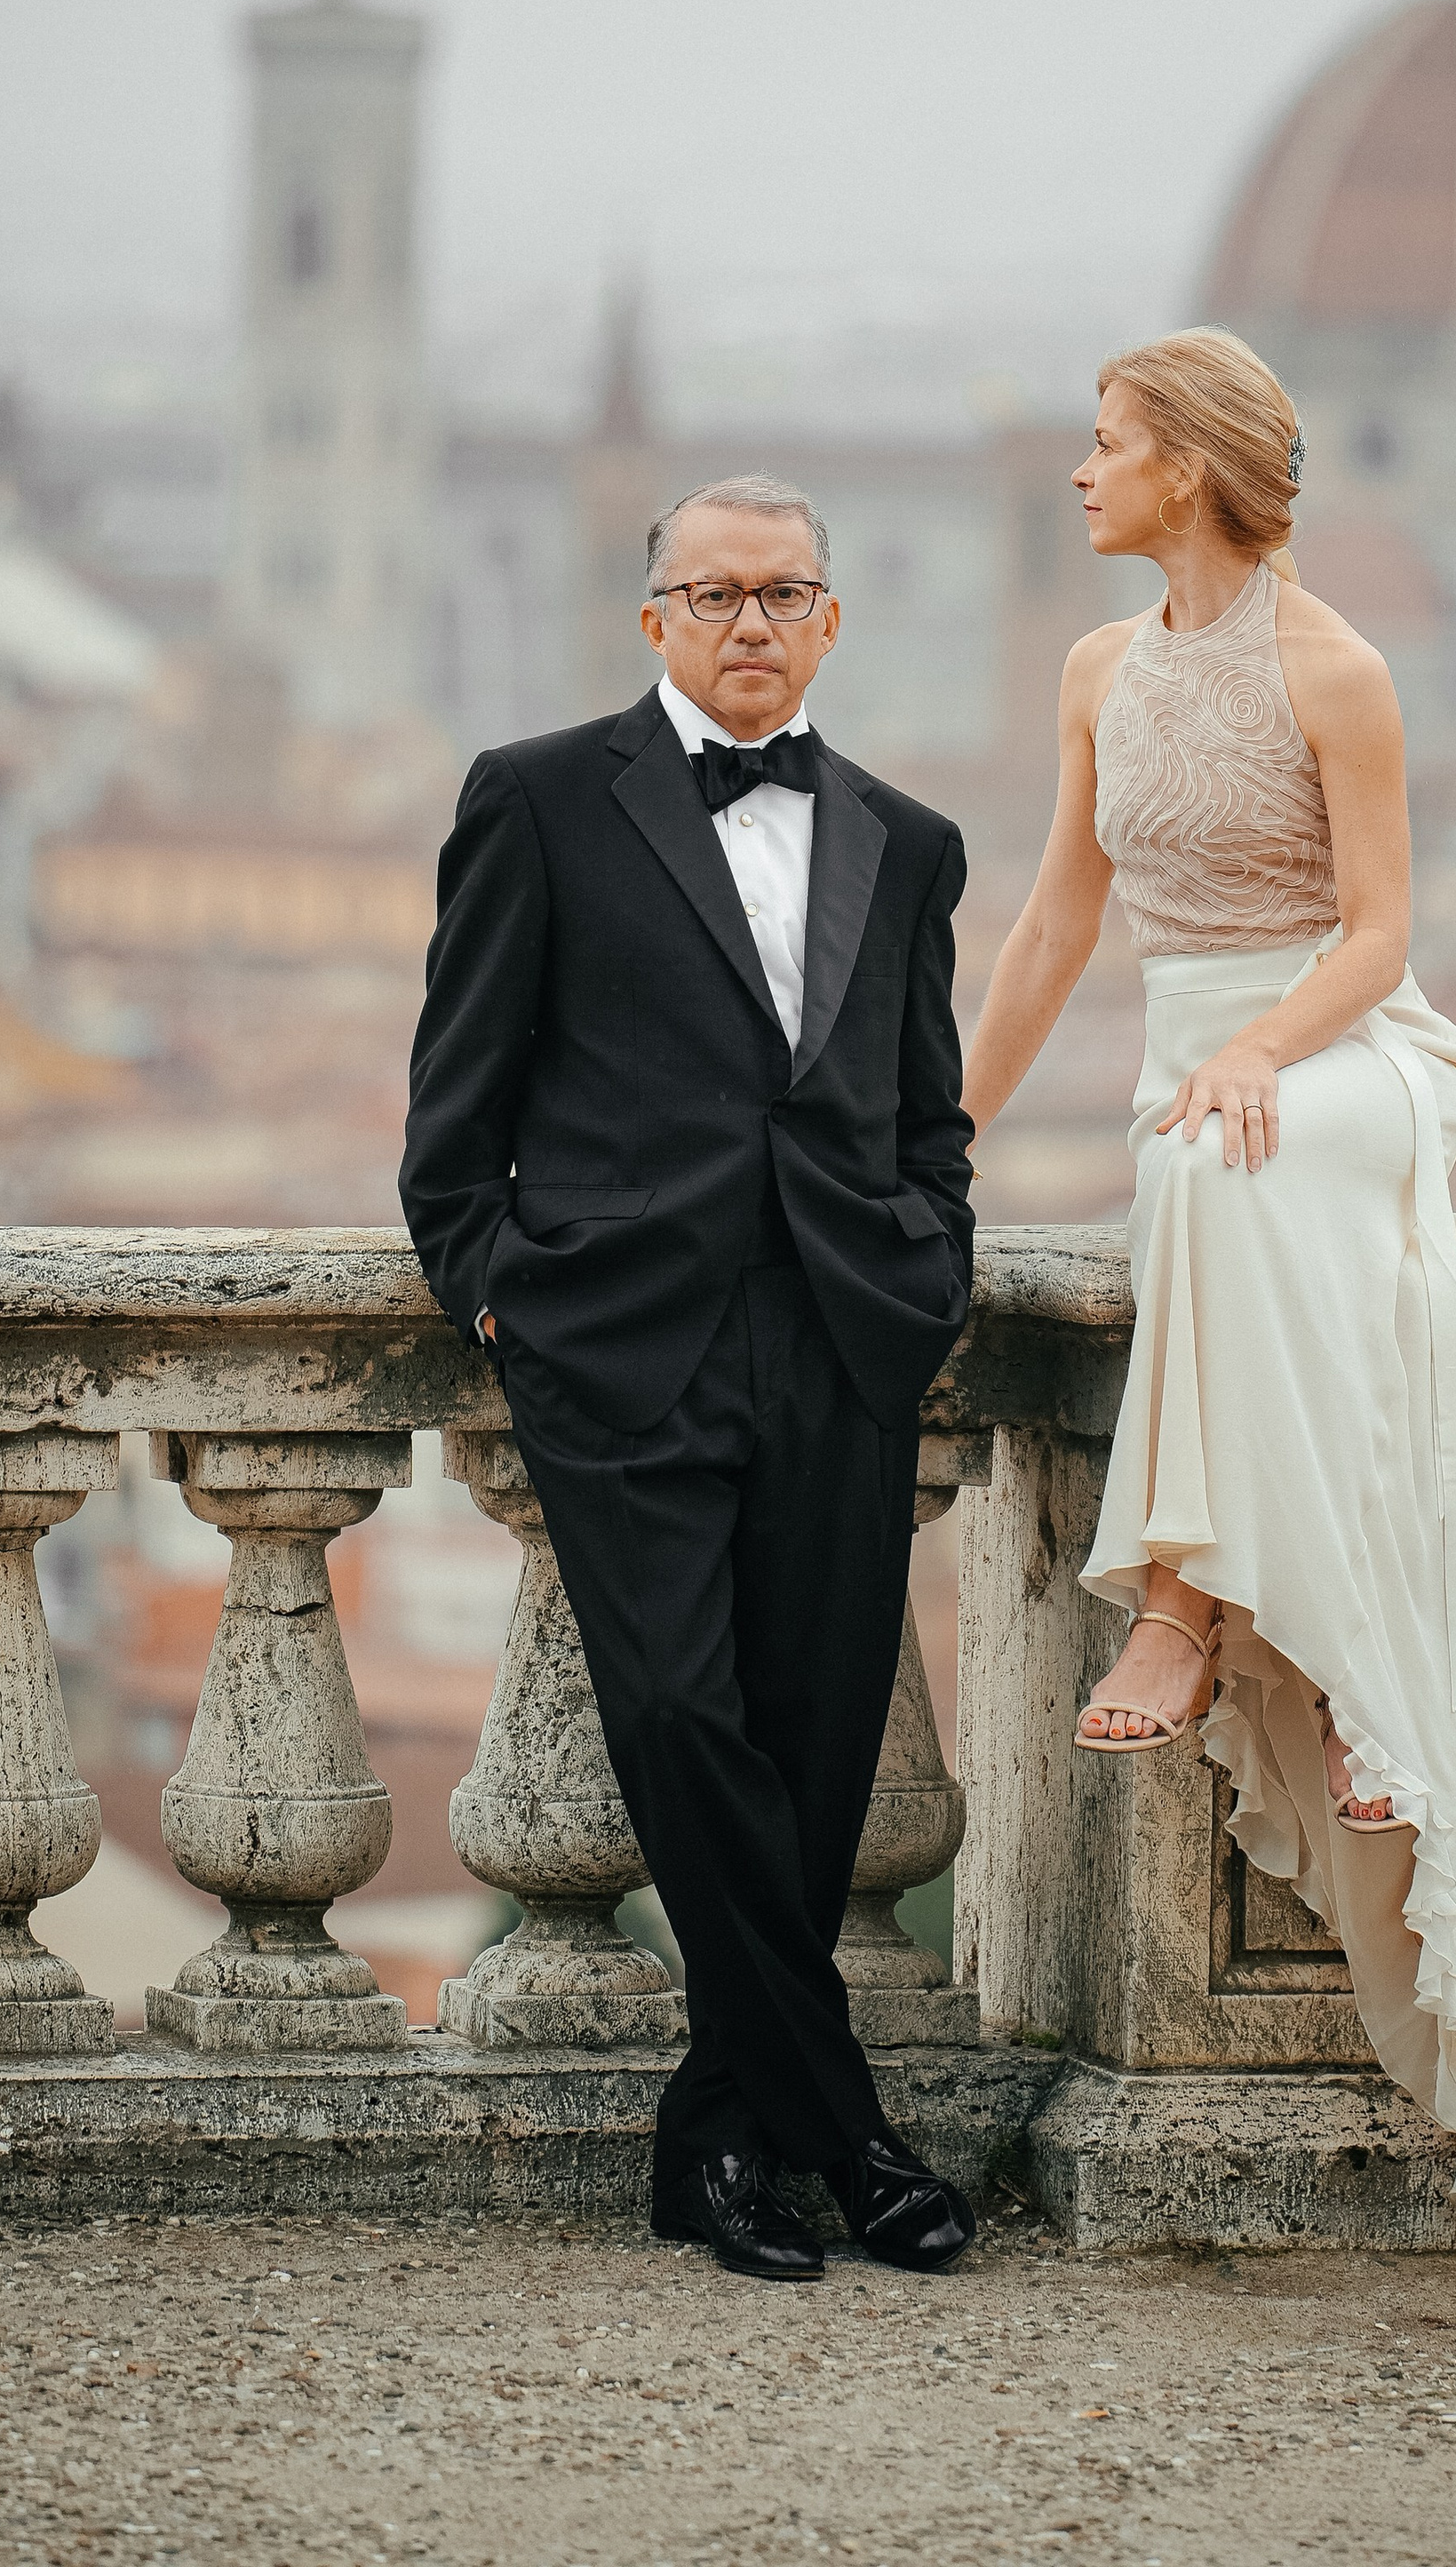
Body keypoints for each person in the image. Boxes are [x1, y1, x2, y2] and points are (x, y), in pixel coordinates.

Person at [959, 331, 1456, 2228]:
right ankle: (1320, 1655)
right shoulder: (1096, 670)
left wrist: (1270, 1047)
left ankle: (1189, 1613)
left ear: (1188, 467)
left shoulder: (1334, 670)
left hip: (1345, 1055)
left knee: (1216, 1161)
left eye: (1106, 444)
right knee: (1197, 1166)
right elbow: (1051, 920)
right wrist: (933, 1123)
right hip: (1186, 1061)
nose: (1082, 474)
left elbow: (1382, 935)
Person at [400, 474, 979, 2284]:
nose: (746, 622)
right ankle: (852, 2139)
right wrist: (503, 1303)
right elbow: (453, 1113)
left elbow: (925, 1114)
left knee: (813, 1751)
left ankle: (718, 2147)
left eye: (780, 593)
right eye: (710, 593)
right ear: (653, 618)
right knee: (680, 1724)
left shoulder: (908, 839)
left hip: (837, 1349)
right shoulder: (538, 798)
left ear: (828, 619)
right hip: (618, 1348)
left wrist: (922, 1277)